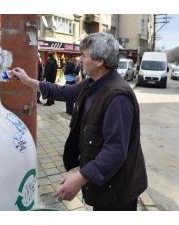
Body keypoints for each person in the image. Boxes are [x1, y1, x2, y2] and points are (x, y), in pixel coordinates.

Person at [11, 32, 147, 211]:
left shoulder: (117, 98)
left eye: (84, 56)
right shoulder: (92, 84)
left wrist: (80, 177)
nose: (80, 60)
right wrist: (28, 81)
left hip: (118, 191)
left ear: (100, 61)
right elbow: (61, 92)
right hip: (104, 184)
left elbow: (115, 151)